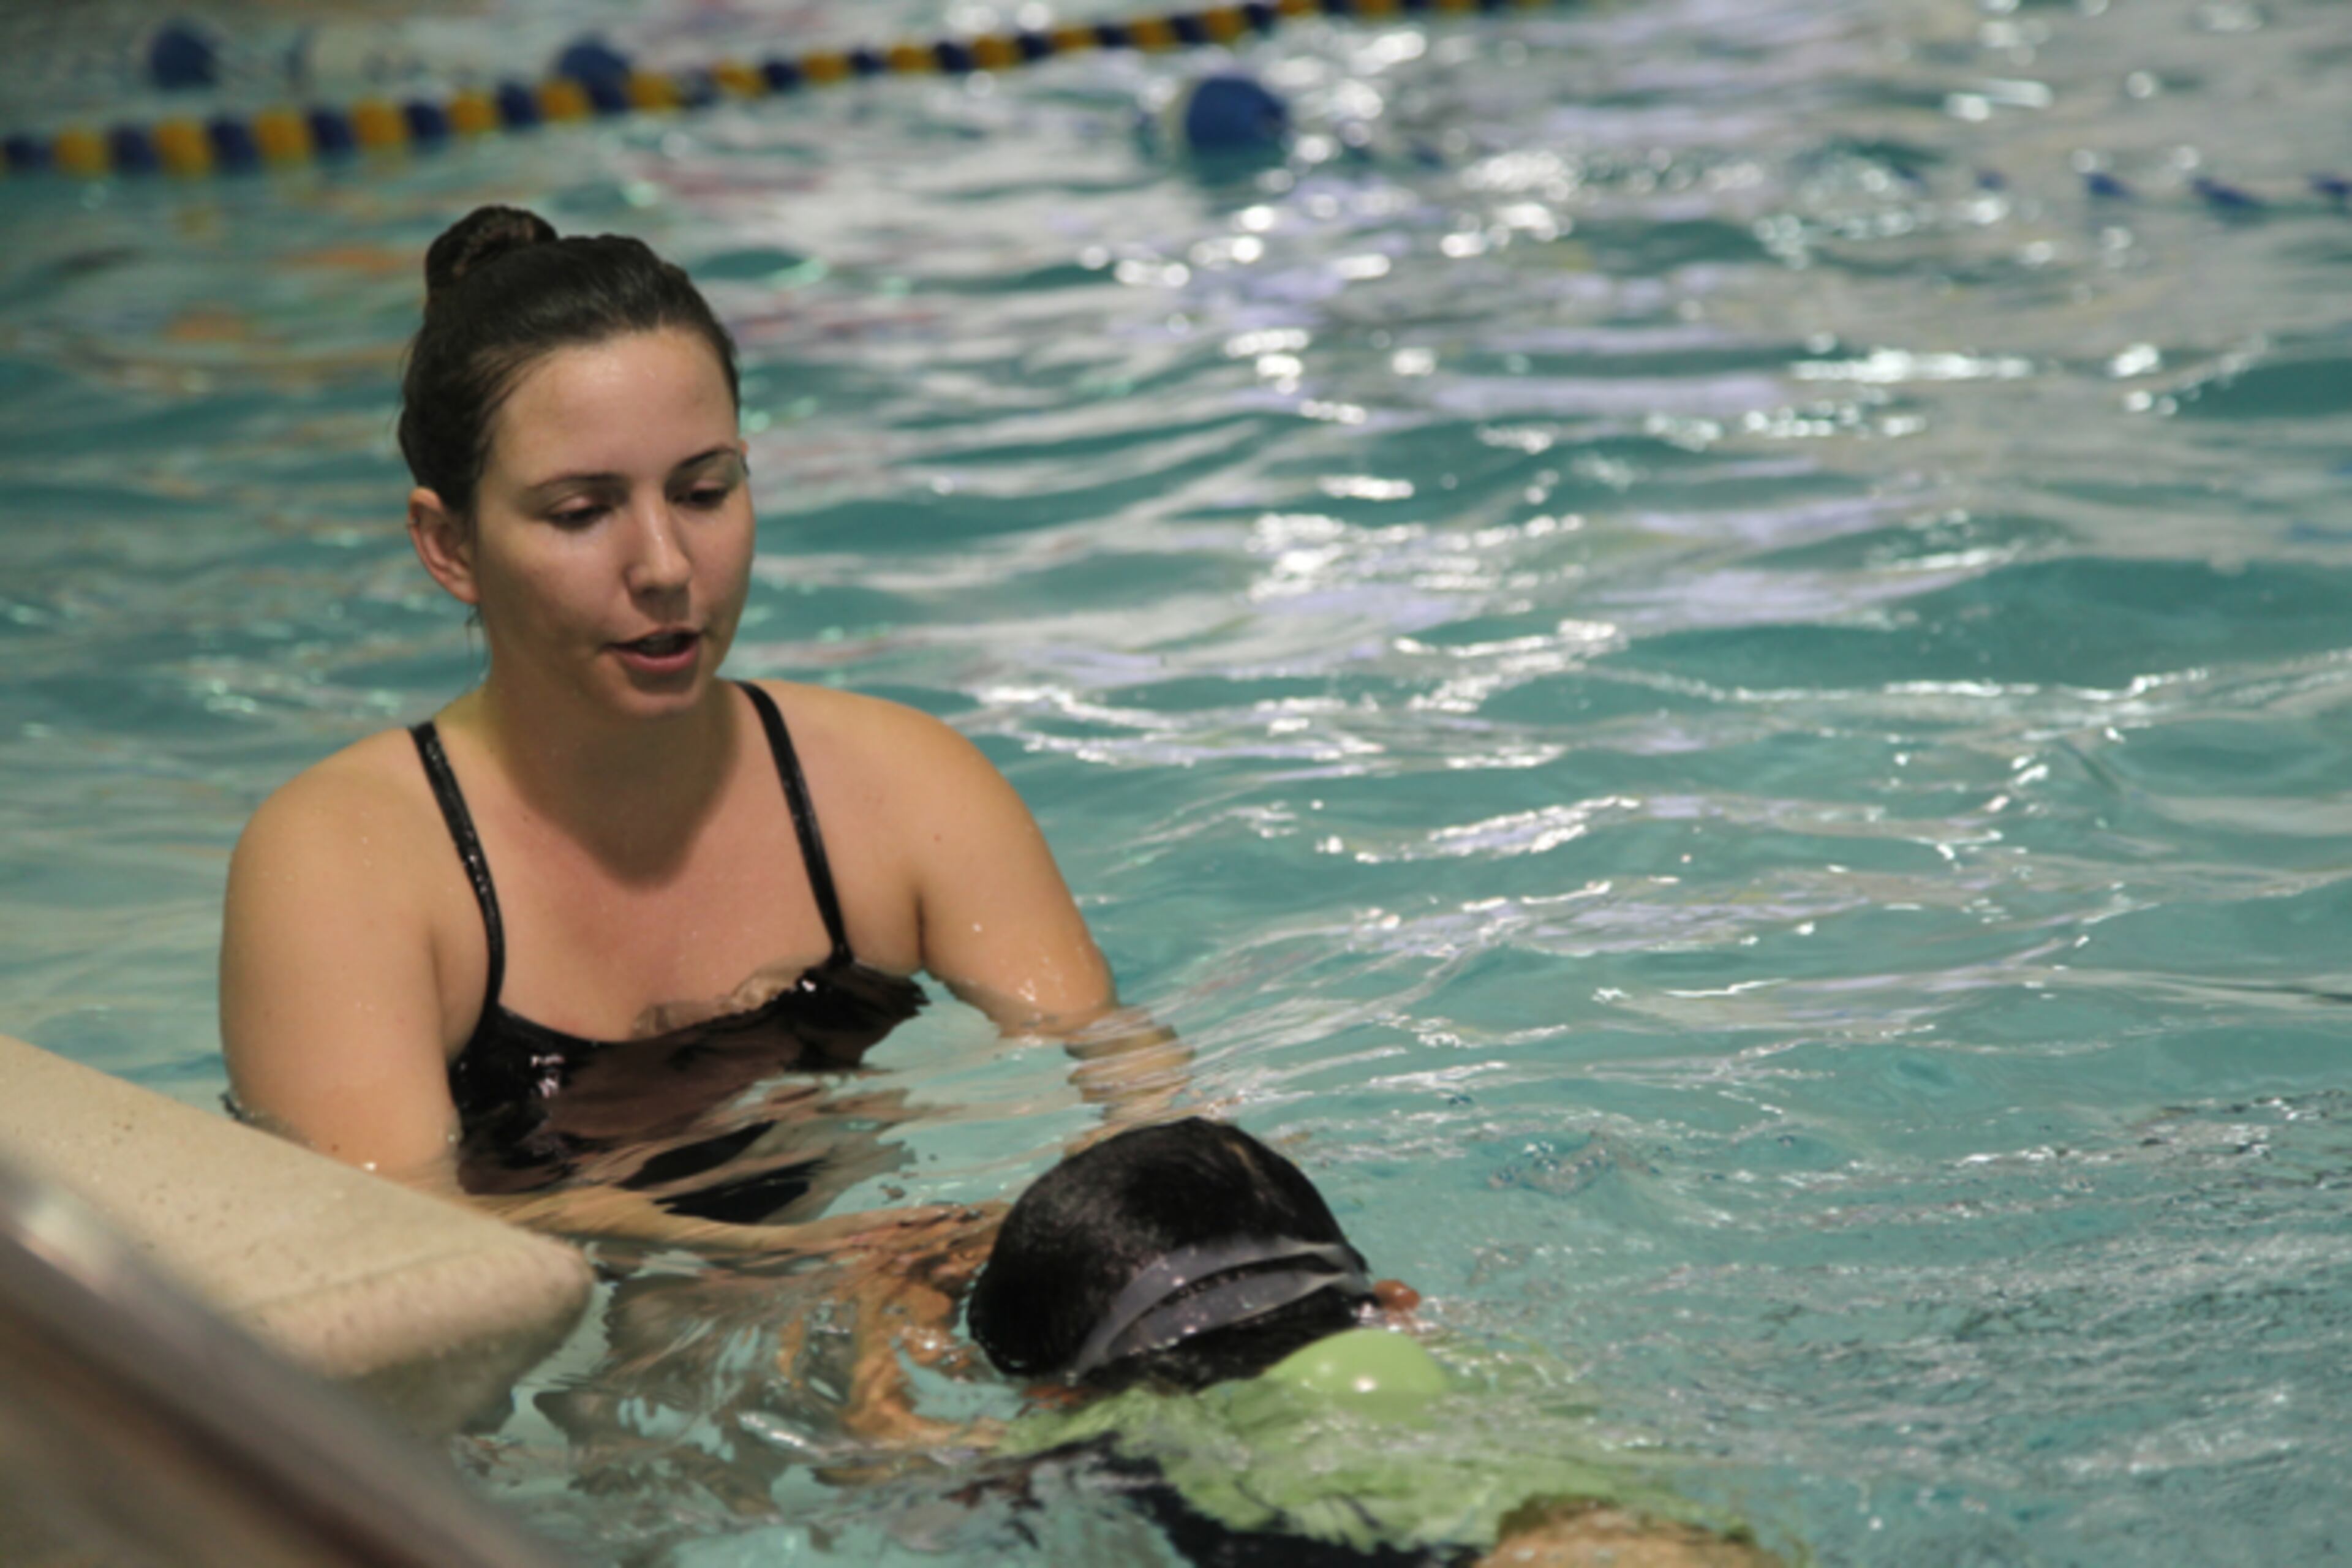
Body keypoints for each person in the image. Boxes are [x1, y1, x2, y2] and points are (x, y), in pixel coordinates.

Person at [219, 205, 1182, 1244]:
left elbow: (1122, 1075)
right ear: (449, 545)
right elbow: (396, 1240)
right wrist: (800, 1263)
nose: (666, 566)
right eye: (581, 513)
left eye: (703, 491)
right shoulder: (343, 862)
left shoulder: (903, 788)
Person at [938, 1120, 1787, 1567]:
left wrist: (882, 1336)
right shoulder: (1500, 1368)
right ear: (1401, 1306)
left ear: (1053, 1397)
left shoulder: (1090, 1439)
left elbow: (909, 1486)